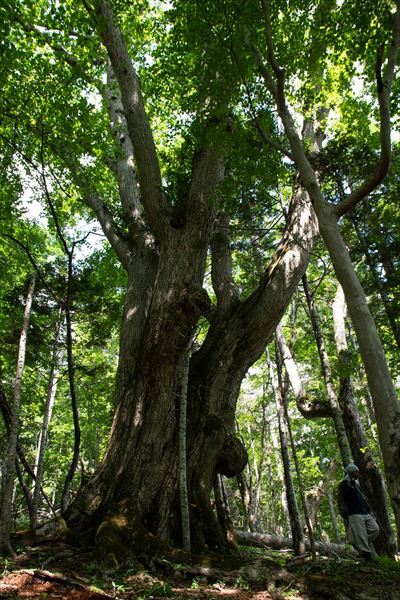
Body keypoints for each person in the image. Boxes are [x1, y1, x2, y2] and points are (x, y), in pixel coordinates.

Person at [338, 463, 379, 560]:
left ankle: (357, 543)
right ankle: (367, 556)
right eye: (356, 472)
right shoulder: (344, 484)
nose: (358, 473)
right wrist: (349, 485)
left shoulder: (356, 485)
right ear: (351, 472)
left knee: (375, 529)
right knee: (361, 535)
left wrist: (370, 512)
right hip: (354, 513)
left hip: (365, 512)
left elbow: (362, 499)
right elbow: (345, 496)